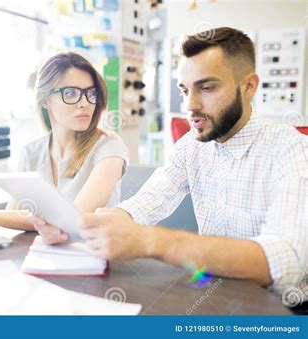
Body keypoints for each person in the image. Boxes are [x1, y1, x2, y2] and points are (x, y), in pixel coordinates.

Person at [34, 27, 308, 307]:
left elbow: (285, 263)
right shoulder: (191, 146)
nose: (189, 105)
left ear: (249, 86)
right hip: (216, 298)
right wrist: (80, 225)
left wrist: (152, 241)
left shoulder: (292, 149)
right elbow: (145, 203)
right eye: (185, 90)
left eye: (207, 87)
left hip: (281, 312)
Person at [0, 52, 128, 242]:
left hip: (96, 261)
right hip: (45, 259)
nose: (85, 103)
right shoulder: (31, 153)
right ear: (45, 100)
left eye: (91, 93)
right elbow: (14, 215)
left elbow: (76, 219)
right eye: (71, 93)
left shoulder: (109, 146)